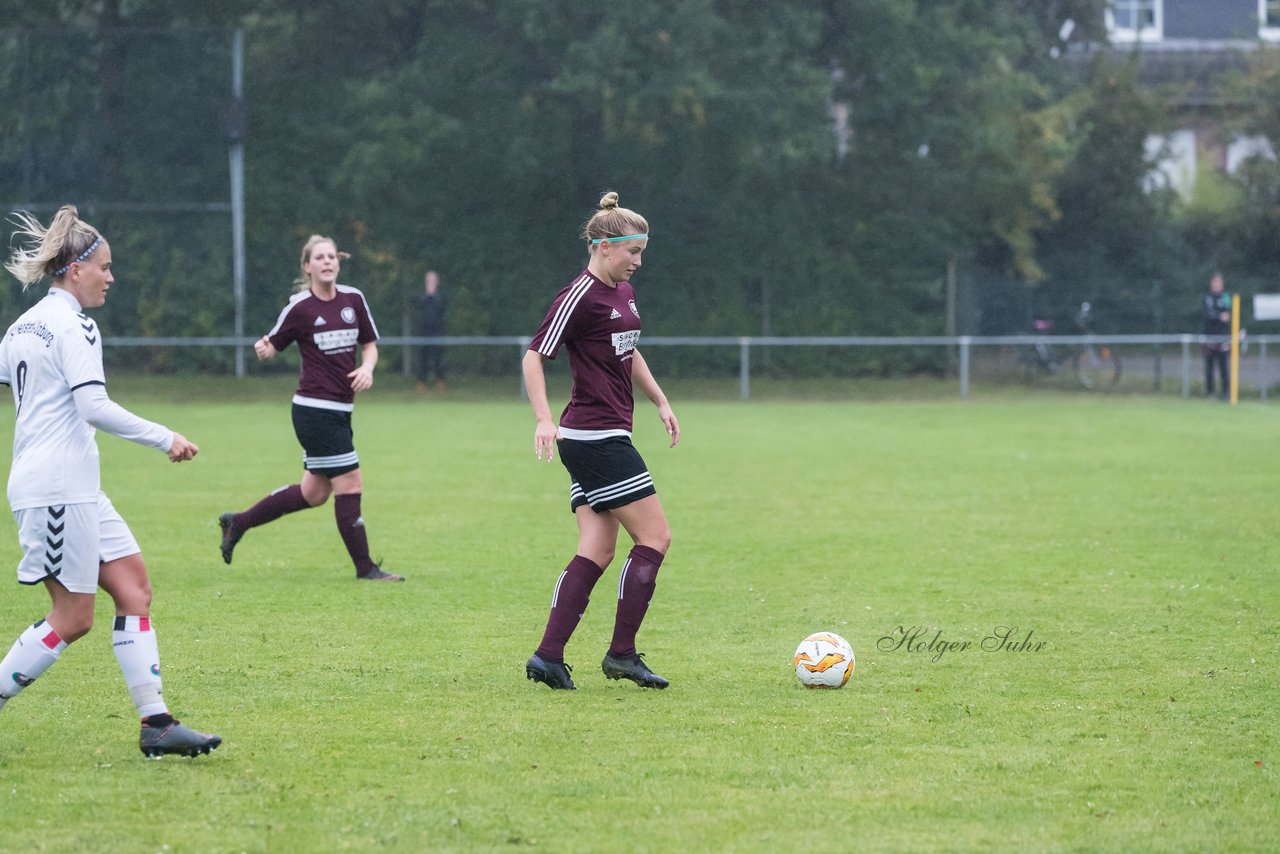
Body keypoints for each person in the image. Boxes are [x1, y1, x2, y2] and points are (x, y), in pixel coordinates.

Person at [0, 205, 221, 758]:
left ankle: (158, 725)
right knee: (73, 618)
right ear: (75, 269)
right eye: (104, 266)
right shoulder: (74, 323)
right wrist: (162, 435)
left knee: (133, 589)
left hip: (74, 487)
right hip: (56, 489)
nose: (110, 276)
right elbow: (92, 406)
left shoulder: (22, 325)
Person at [522, 192, 680, 691]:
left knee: (596, 549)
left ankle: (548, 657)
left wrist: (659, 400)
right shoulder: (580, 295)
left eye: (643, 253)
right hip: (595, 437)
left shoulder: (622, 294)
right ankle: (622, 654)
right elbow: (533, 357)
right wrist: (544, 419)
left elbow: (628, 352)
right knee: (655, 538)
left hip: (601, 434)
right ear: (605, 246)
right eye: (633, 252)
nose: (638, 262)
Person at [218, 235, 403, 582]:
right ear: (307, 266)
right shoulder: (300, 307)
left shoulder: (354, 299)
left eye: (332, 256)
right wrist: (264, 349)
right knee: (350, 481)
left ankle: (238, 522)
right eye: (319, 257)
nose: (328, 262)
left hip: (341, 411)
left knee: (314, 493)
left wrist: (367, 368)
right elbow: (273, 345)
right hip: (314, 410)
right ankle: (366, 569)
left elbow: (370, 345)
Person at [415, 269, 447, 393]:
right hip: (423, 332)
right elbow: (420, 305)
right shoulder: (421, 295)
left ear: (437, 281)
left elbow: (441, 307)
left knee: (439, 358)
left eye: (433, 280)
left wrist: (432, 295)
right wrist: (428, 295)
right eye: (429, 280)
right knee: (423, 358)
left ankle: (441, 381)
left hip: (438, 332)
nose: (431, 282)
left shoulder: (441, 295)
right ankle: (421, 382)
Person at [1202, 271, 1232, 400]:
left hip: (1223, 338)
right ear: (1211, 283)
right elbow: (1208, 315)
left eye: (1220, 282)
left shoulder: (1226, 297)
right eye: (1215, 282)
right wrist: (1220, 317)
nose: (1217, 284)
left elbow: (1230, 313)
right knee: (1209, 367)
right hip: (1210, 338)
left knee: (1224, 367)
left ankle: (1225, 393)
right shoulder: (1207, 298)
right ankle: (1210, 393)